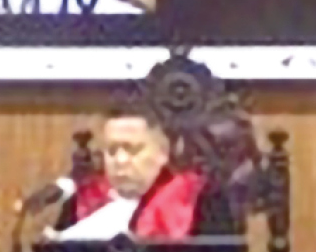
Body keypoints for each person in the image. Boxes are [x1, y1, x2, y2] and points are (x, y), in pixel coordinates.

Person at [53, 100, 232, 242]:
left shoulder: (200, 199)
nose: (120, 160)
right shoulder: (82, 200)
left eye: (133, 149)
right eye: (111, 150)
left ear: (163, 152)